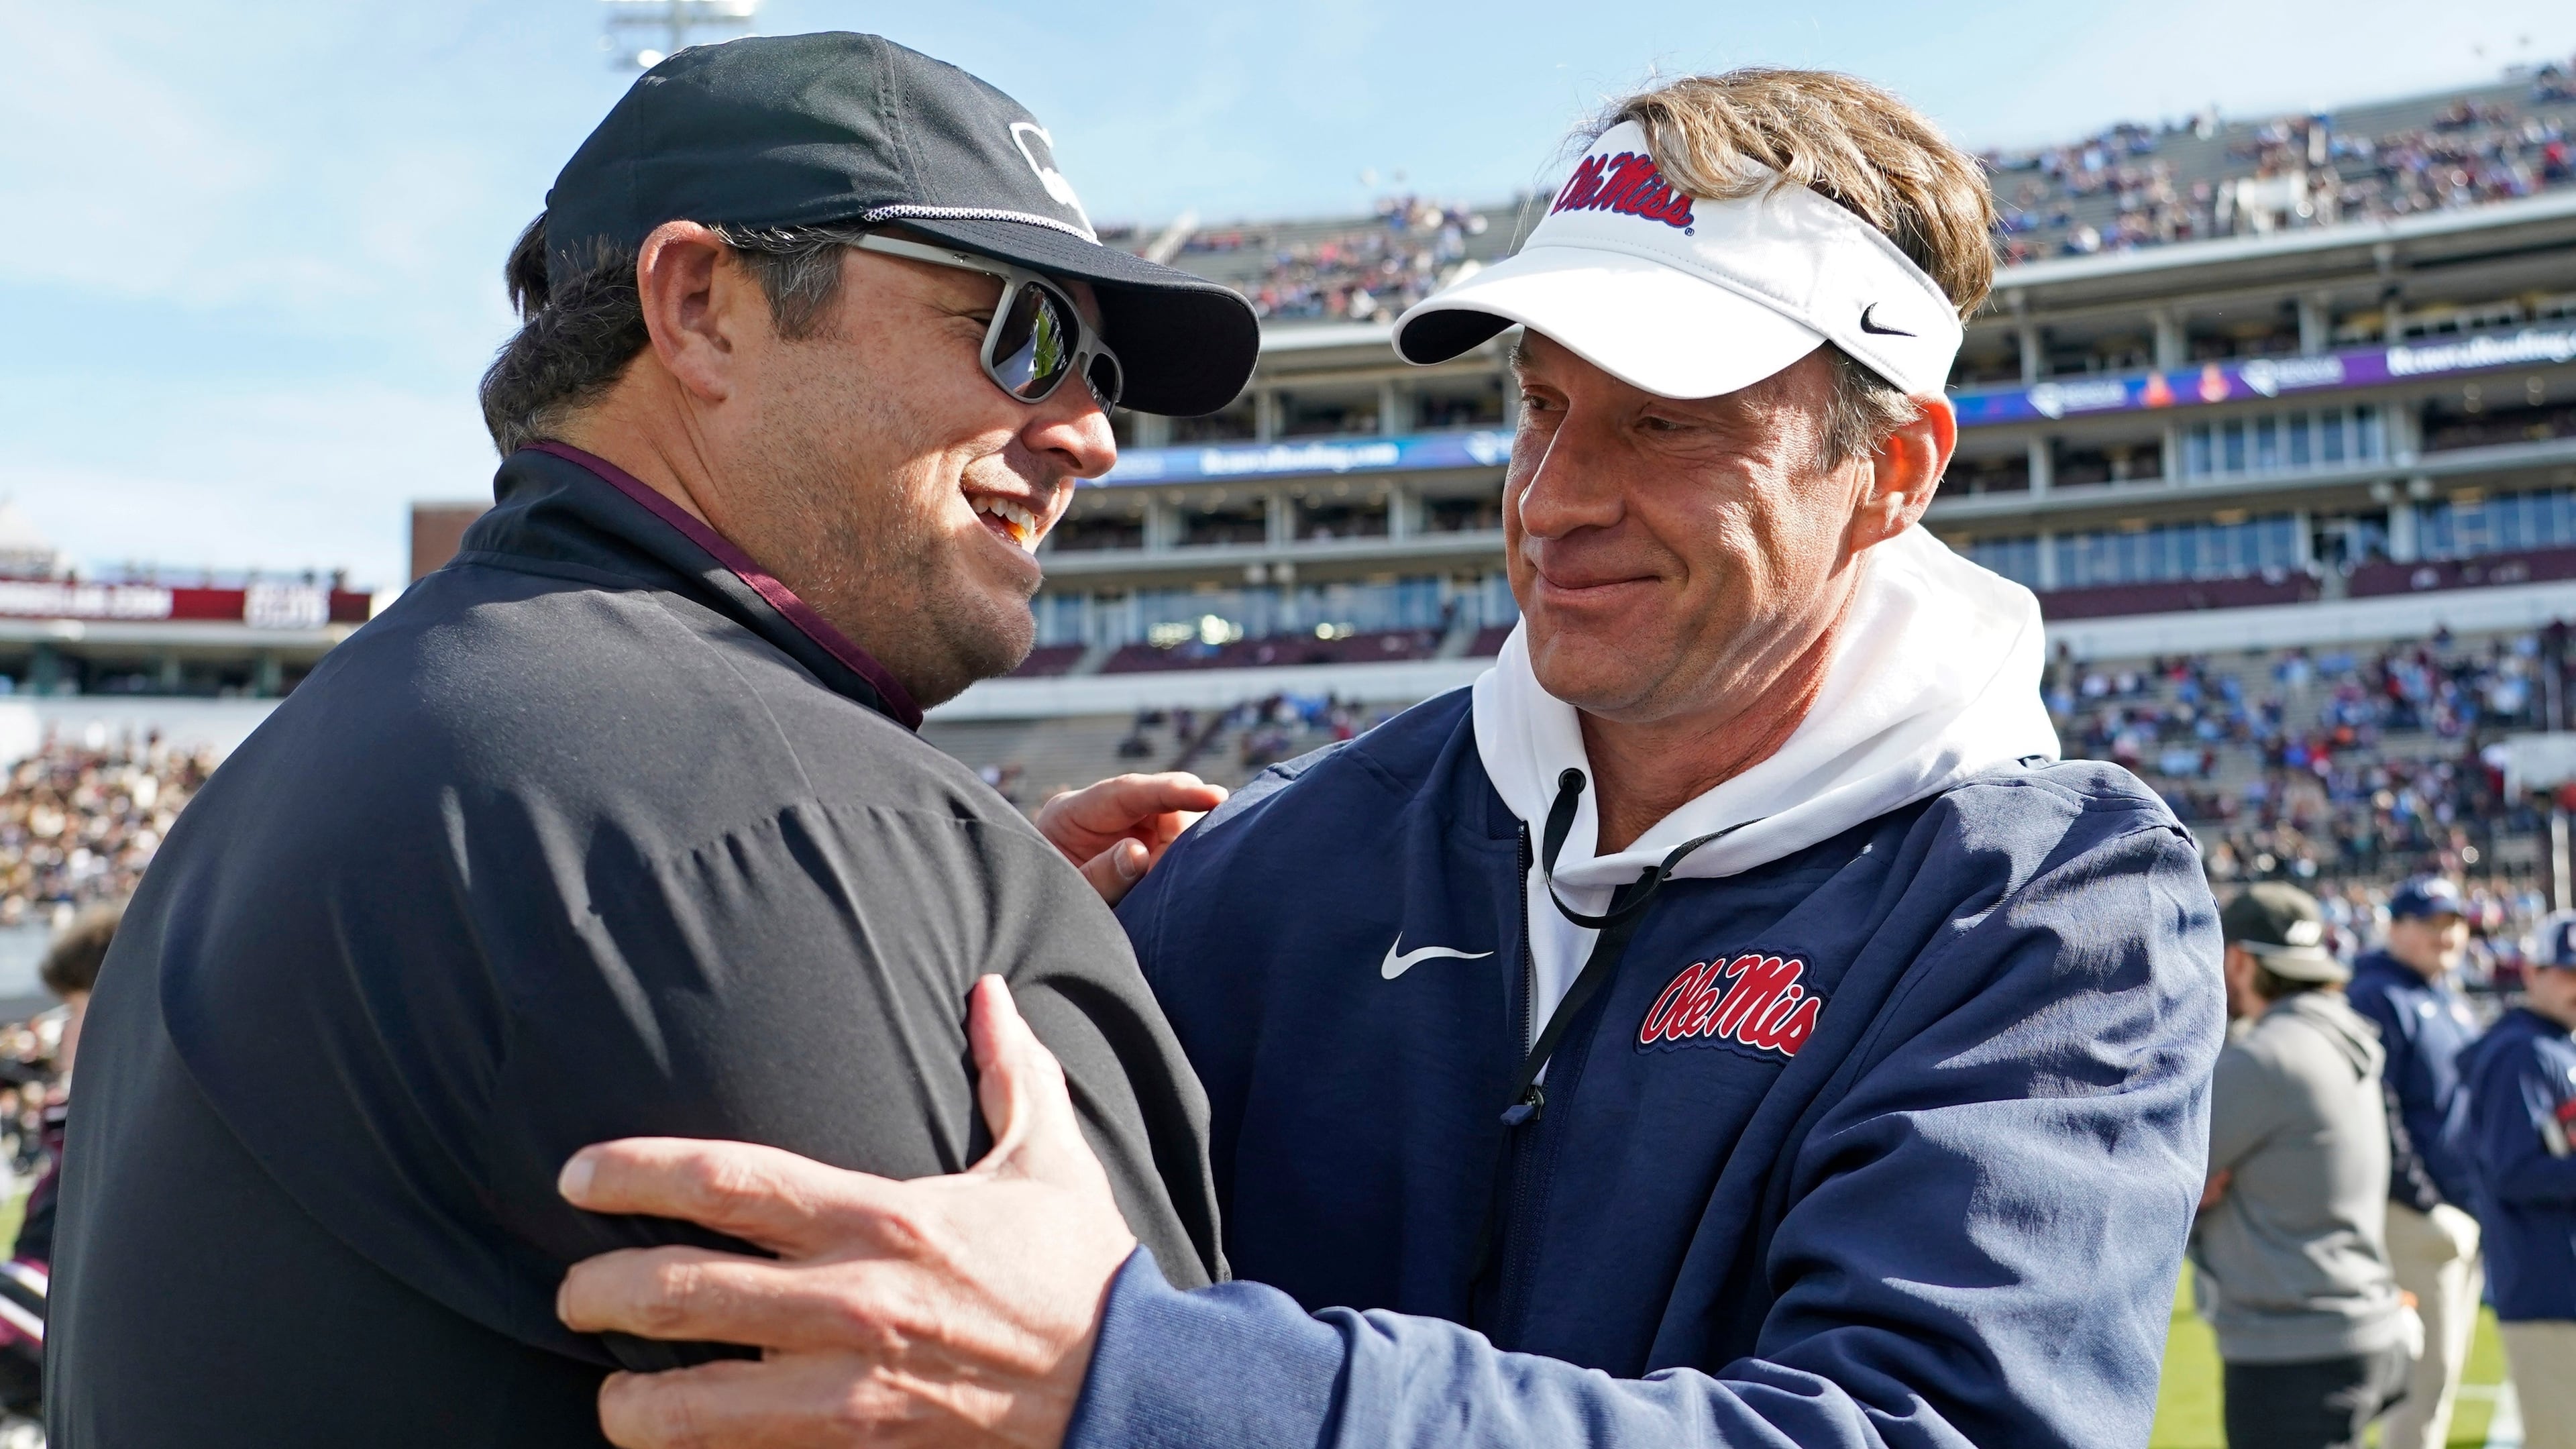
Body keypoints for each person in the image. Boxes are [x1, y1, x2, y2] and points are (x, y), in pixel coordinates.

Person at [551, 68, 2229, 1449]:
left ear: (1894, 471)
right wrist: (959, 960)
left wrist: (1137, 1379)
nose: (1557, 496)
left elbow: (1913, 1428)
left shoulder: (2045, 908)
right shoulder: (1292, 857)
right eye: (1542, 407)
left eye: (1665, 419)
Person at [46, 33, 1258, 1448]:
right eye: (1025, 333)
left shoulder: (352, 734)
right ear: (700, 309)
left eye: (1094, 362)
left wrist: (925, 914)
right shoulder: (750, 820)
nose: (1088, 434)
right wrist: (862, 877)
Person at [2196, 883, 2412, 1449]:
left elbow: (2170, 1183)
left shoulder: (2266, 1056)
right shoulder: (2336, 1034)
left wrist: (2203, 1187)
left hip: (2294, 1348)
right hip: (2353, 1323)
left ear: (2238, 958)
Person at [2348, 874, 2486, 1449]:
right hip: (2413, 1214)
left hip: (2459, 1206)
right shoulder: (2377, 993)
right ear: (2395, 927)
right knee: (2420, 1389)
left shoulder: (2445, 996)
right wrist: (2423, 1201)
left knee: (2441, 1380)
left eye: (2454, 922)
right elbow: (2376, 1110)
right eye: (2430, 923)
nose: (2446, 934)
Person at [2461, 913, 2576, 1449]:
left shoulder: (2553, 1043)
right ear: (2533, 973)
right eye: (2567, 972)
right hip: (2545, 1283)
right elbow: (2514, 1171)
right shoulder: (2522, 1051)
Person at [0, 902, 119, 1420]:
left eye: (75, 1011)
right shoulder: (85, 1131)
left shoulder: (120, 1140)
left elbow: (71, 1311)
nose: (63, 1037)